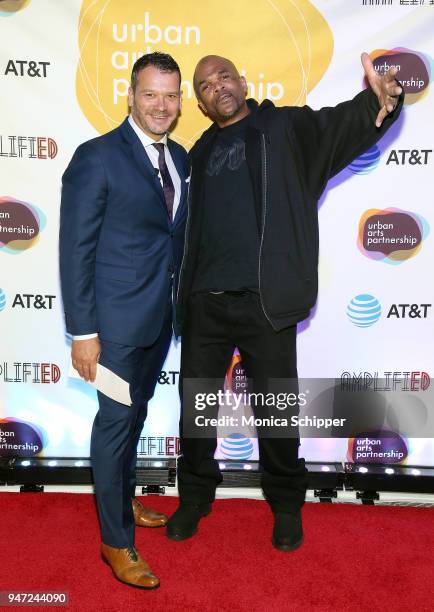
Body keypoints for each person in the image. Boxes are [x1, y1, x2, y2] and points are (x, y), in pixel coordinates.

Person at [167, 53, 404, 551]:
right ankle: (193, 498)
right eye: (206, 85)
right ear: (201, 103)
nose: (218, 87)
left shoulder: (286, 129)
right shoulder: (198, 154)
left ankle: (286, 504)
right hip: (204, 302)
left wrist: (379, 100)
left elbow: (339, 125)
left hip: (265, 303)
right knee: (197, 413)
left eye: (224, 76)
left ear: (243, 79)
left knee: (277, 415)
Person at [59, 52, 188, 588]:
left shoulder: (179, 156)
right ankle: (115, 542)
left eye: (171, 95)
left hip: (158, 321)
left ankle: (126, 501)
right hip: (110, 330)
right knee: (114, 427)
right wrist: (83, 332)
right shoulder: (97, 156)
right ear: (130, 96)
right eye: (151, 94)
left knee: (135, 419)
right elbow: (75, 250)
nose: (161, 105)